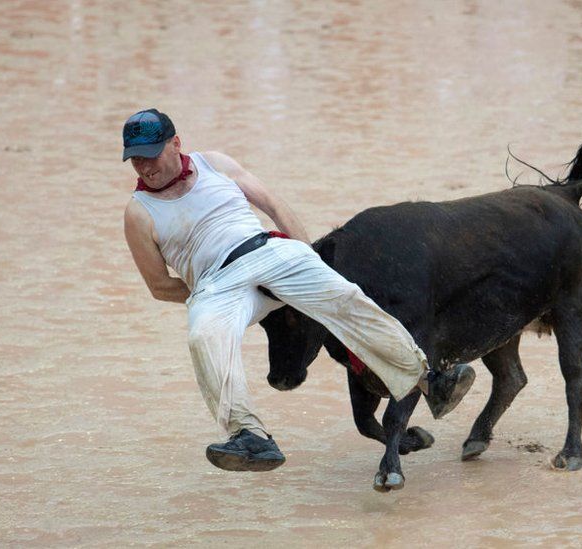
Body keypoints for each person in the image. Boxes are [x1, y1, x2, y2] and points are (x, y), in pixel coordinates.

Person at [121, 108, 475, 472]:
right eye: (135, 160)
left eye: (150, 155)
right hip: (215, 283)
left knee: (343, 296)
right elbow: (159, 285)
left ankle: (431, 381)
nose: (145, 167)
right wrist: (207, 293)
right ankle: (248, 435)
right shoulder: (139, 212)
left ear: (175, 143)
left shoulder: (214, 164)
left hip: (265, 250)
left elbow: (273, 205)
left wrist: (310, 258)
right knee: (202, 336)